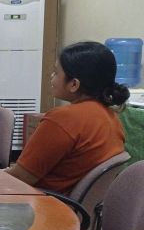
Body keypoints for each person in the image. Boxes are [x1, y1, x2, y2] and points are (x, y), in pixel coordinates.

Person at [7, 41, 128, 193]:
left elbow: (20, 178)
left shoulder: (63, 119)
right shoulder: (112, 118)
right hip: (77, 211)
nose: (51, 77)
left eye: (56, 72)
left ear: (74, 84)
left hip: (43, 207)